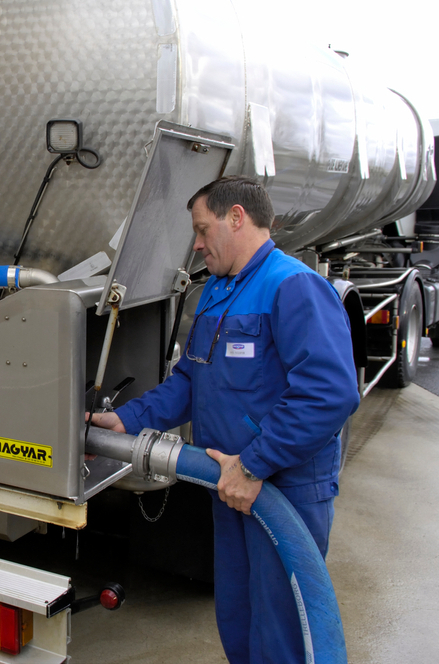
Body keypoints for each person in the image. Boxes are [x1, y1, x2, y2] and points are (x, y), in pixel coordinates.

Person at [91, 176, 359, 663]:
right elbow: (192, 381)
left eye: (201, 229)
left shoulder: (293, 286)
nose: (195, 244)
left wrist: (254, 464)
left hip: (283, 488)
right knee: (237, 617)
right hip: (227, 486)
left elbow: (329, 393)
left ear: (236, 217)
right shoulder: (217, 292)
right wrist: (127, 420)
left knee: (281, 629)